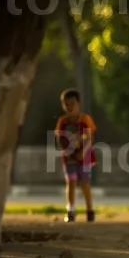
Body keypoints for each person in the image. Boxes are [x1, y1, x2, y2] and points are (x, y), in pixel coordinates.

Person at [55, 89, 97, 222]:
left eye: (72, 104)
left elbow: (90, 139)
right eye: (66, 104)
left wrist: (82, 152)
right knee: (71, 182)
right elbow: (60, 139)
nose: (69, 107)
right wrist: (67, 152)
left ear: (78, 104)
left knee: (84, 183)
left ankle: (90, 210)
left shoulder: (85, 120)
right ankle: (70, 210)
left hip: (84, 157)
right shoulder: (63, 122)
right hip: (69, 157)